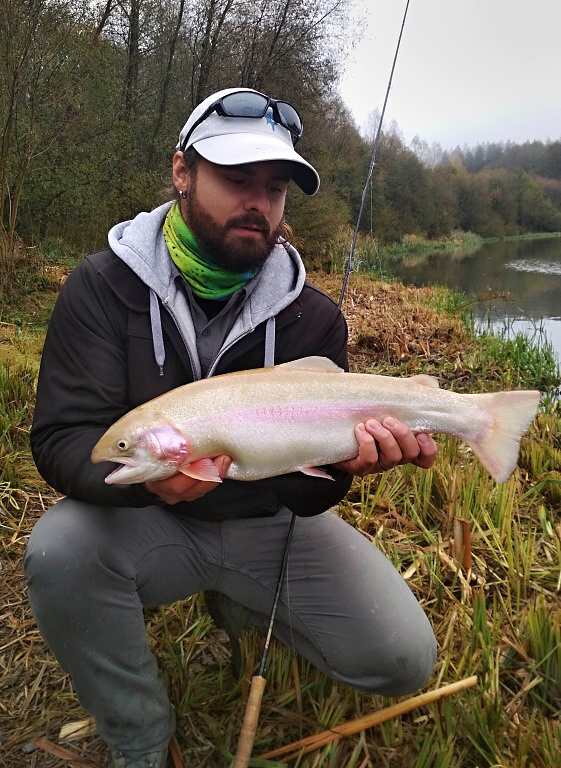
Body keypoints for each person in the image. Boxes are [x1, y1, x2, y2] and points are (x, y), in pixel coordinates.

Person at [25, 87, 438, 768]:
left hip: (270, 522)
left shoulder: (313, 318)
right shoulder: (101, 288)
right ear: (182, 171)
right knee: (58, 549)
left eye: (273, 187)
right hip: (145, 525)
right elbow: (63, 441)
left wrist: (346, 464)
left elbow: (308, 494)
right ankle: (140, 734)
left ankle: (240, 605)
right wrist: (149, 488)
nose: (258, 201)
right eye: (236, 179)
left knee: (400, 659)